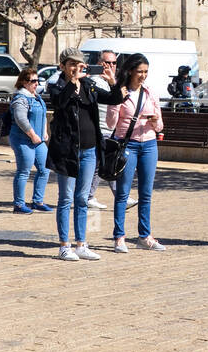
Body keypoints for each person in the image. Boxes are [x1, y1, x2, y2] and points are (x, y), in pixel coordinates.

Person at [46, 46, 126, 261]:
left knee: (82, 198)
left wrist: (111, 81)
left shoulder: (89, 86)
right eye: (71, 64)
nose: (76, 67)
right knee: (65, 199)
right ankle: (64, 245)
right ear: (62, 66)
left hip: (90, 150)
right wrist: (72, 82)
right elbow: (59, 103)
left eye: (79, 64)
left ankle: (81, 243)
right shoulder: (57, 85)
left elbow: (115, 99)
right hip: (67, 151)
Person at [107, 52, 166, 252]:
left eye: (146, 72)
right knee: (123, 193)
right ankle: (119, 237)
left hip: (149, 144)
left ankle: (144, 236)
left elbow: (159, 127)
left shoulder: (150, 93)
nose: (143, 75)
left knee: (146, 193)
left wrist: (155, 119)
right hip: (127, 145)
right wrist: (116, 102)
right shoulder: (121, 92)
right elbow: (110, 123)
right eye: (140, 71)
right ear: (130, 71)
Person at [9, 67, 52, 213]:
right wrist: (33, 135)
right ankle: (19, 204)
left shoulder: (36, 97)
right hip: (23, 140)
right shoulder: (20, 98)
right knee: (24, 171)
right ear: (23, 82)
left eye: (37, 80)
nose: (36, 83)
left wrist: (44, 132)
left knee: (44, 169)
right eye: (32, 81)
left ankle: (37, 201)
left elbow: (44, 115)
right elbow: (21, 119)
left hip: (38, 140)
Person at [86, 49, 119, 211]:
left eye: (114, 63)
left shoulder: (110, 80)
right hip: (101, 130)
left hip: (110, 130)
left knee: (105, 165)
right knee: (105, 164)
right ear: (99, 63)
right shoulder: (95, 82)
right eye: (107, 62)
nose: (111, 66)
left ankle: (90, 196)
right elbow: (114, 98)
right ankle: (90, 197)